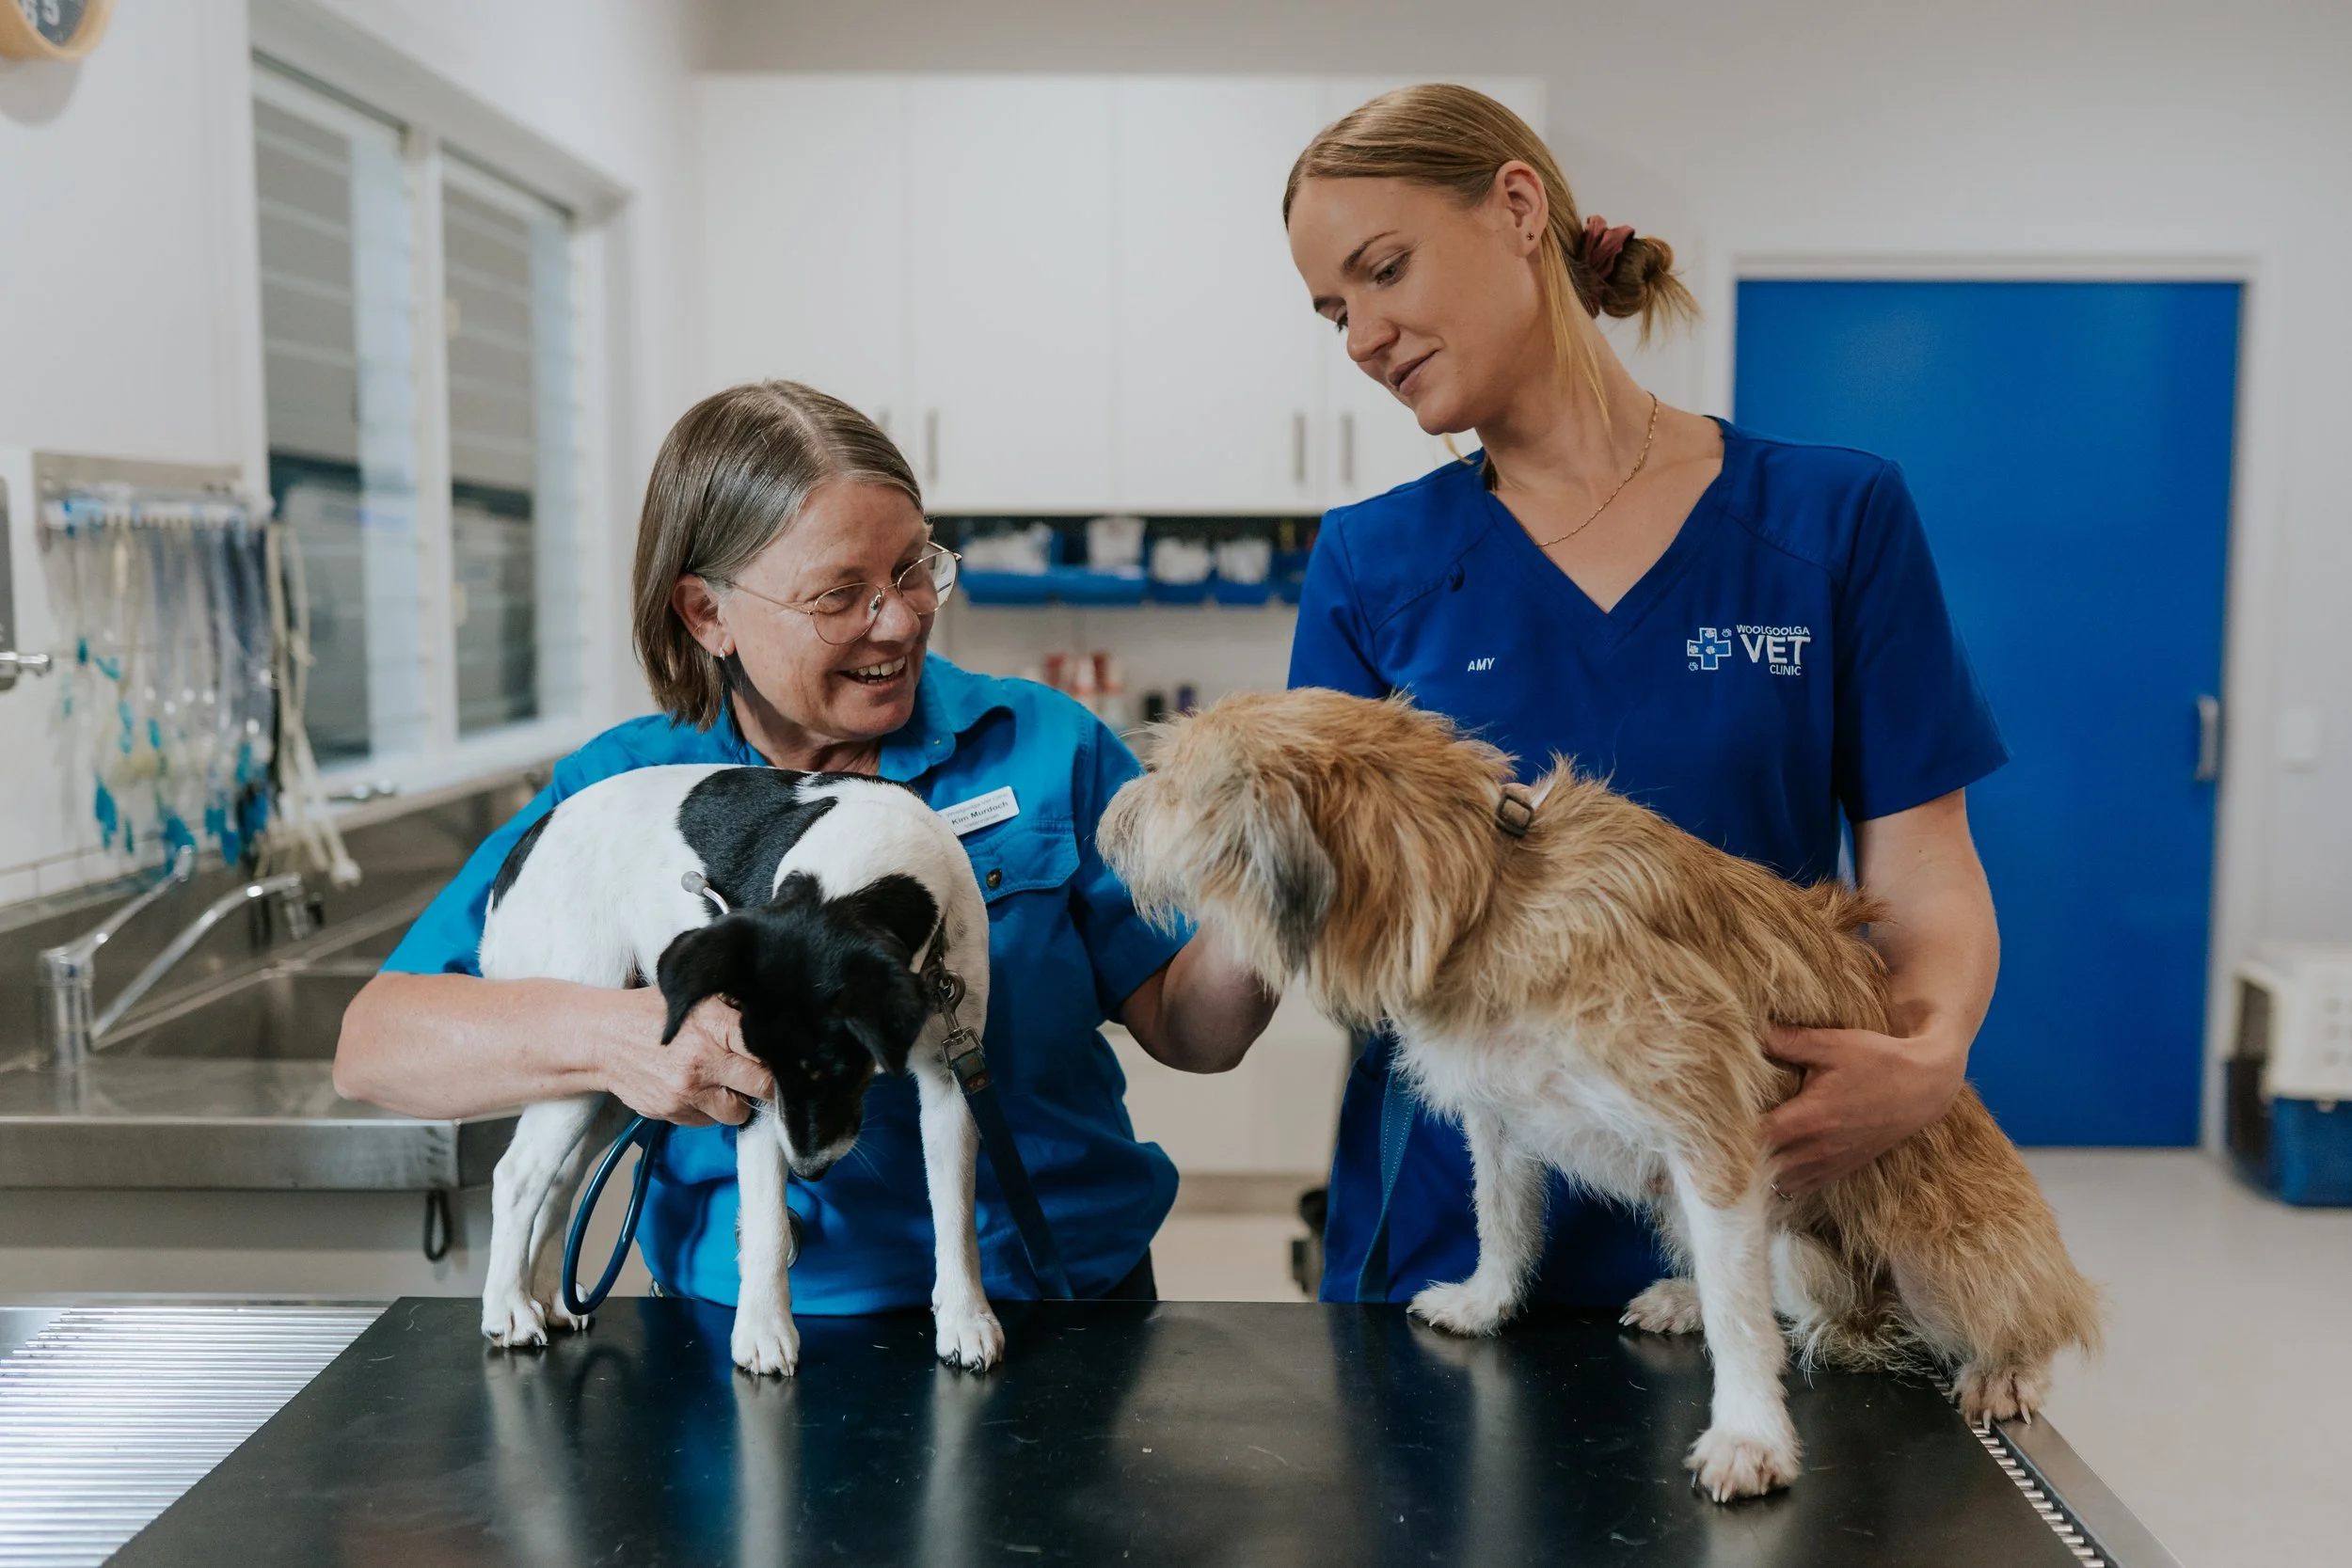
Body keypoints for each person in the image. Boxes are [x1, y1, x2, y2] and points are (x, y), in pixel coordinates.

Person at [1278, 86, 2006, 1306]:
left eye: (1383, 270)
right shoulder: (1371, 558)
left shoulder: (1829, 519)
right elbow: (1316, 901)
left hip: (1754, 1206)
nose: (1360, 337)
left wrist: (1927, 1054)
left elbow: (1924, 861)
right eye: (1333, 311)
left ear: (1517, 207)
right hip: (1453, 1236)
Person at [335, 381, 1277, 1309]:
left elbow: (1193, 1031)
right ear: (708, 614)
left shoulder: (1042, 745)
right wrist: (620, 1035)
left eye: (915, 567)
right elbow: (376, 1046)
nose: (901, 618)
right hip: (755, 1332)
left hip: (1064, 1298)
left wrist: (1279, 890)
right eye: (841, 595)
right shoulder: (629, 796)